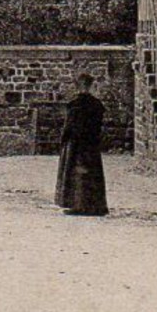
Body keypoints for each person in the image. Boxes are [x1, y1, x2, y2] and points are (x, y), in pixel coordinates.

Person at [55, 74, 108, 216]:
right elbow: (99, 126)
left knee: (78, 174)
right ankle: (95, 205)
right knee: (92, 173)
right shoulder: (97, 104)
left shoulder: (74, 105)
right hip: (91, 144)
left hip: (76, 145)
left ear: (78, 86)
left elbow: (69, 127)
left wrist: (64, 141)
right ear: (91, 86)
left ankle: (78, 205)